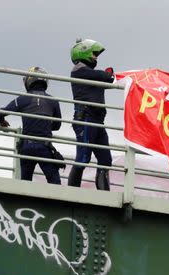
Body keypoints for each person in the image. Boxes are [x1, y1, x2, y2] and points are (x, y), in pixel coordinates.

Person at [0, 66, 62, 184]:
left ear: (28, 80)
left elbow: (0, 113)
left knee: (25, 184)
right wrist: (44, 124)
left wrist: (2, 122)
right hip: (45, 147)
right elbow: (57, 125)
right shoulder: (53, 101)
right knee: (55, 183)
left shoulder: (22, 99)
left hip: (27, 147)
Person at [67, 38, 114, 191]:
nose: (96, 57)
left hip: (97, 121)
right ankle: (72, 194)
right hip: (85, 118)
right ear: (84, 52)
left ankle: (104, 195)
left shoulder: (90, 73)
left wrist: (109, 76)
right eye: (94, 54)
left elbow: (108, 80)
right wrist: (108, 74)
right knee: (83, 158)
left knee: (105, 159)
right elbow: (105, 77)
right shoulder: (79, 70)